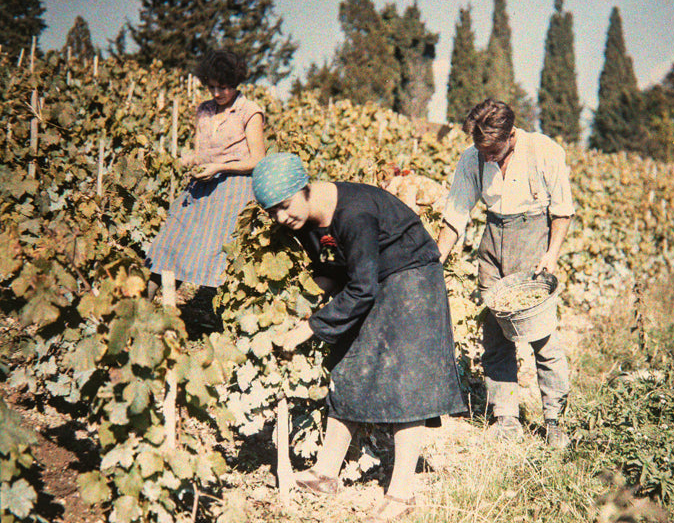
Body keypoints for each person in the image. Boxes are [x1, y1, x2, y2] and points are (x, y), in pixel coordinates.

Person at [251, 153, 465, 522]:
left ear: (305, 189)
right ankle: (326, 474)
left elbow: (362, 288)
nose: (280, 218)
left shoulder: (354, 214)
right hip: (372, 279)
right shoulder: (304, 221)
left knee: (406, 383)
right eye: (272, 212)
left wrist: (310, 327)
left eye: (284, 206)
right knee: (346, 366)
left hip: (413, 276)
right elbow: (331, 270)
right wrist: (303, 305)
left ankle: (402, 492)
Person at [436, 99, 575, 447]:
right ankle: (505, 417)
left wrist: (551, 254)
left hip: (533, 241)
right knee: (495, 335)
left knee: (542, 337)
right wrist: (435, 259)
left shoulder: (543, 152)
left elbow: (562, 211)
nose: (486, 158)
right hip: (492, 240)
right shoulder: (473, 158)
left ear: (511, 136)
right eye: (481, 150)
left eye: (493, 152)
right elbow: (456, 214)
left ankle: (555, 419)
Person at [145, 49, 265, 299]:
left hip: (233, 190)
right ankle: (157, 307)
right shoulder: (204, 110)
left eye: (223, 87)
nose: (217, 93)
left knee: (213, 251)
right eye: (212, 87)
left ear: (235, 83)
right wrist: (185, 160)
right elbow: (201, 153)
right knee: (170, 242)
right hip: (202, 184)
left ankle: (215, 311)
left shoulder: (249, 111)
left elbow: (257, 160)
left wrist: (219, 167)